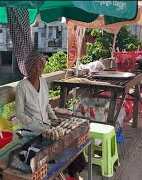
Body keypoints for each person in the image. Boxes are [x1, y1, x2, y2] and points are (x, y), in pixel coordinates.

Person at [15, 51, 86, 179]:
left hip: (46, 125)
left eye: (41, 66)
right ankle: (68, 173)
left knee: (68, 137)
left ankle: (74, 173)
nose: (38, 70)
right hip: (29, 129)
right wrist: (38, 123)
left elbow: (47, 105)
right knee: (56, 142)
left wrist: (54, 118)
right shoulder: (22, 86)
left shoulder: (42, 82)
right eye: (35, 66)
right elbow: (19, 114)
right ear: (28, 68)